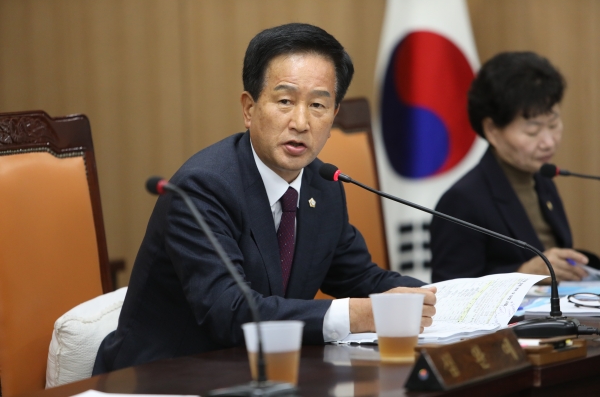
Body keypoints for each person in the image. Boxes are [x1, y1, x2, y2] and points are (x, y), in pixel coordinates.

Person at [93, 23, 436, 374]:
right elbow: (229, 312)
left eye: (318, 105)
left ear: (333, 117)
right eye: (285, 101)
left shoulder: (322, 186)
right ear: (249, 108)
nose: (300, 122)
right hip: (162, 377)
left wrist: (444, 298)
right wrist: (356, 315)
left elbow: (363, 278)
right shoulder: (202, 188)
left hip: (260, 374)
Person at [430, 51, 591, 283]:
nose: (548, 142)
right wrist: (521, 275)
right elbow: (449, 291)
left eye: (553, 124)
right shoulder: (461, 202)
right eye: (532, 131)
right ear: (492, 131)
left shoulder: (542, 178)